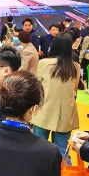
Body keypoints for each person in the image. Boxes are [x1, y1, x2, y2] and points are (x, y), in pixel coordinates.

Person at [33, 34, 80, 162]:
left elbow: (37, 86)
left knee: (38, 148)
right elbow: (75, 89)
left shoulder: (44, 63)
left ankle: (38, 172)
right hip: (66, 113)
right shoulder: (75, 66)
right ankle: (62, 173)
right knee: (62, 150)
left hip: (44, 111)